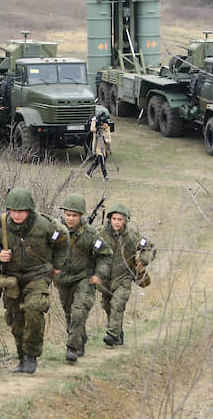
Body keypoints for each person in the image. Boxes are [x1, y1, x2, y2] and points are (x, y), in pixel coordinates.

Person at [0, 188, 69, 374]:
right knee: (15, 319)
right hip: (12, 278)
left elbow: (63, 239)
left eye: (21, 211)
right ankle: (22, 358)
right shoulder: (1, 224)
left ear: (29, 210)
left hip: (37, 275)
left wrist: (57, 266)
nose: (16, 214)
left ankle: (31, 355)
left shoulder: (45, 225)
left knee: (35, 308)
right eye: (13, 210)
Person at [55, 194, 112, 363]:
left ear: (81, 216)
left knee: (79, 312)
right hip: (63, 278)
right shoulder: (56, 231)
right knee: (69, 314)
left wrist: (99, 275)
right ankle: (80, 338)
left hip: (84, 278)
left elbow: (106, 255)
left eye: (74, 215)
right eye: (68, 214)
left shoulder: (90, 234)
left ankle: (72, 347)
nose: (70, 218)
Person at [99, 203, 154, 347]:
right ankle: (119, 332)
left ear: (125, 220)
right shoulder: (101, 233)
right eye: (114, 219)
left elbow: (149, 247)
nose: (116, 222)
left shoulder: (132, 234)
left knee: (118, 303)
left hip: (123, 275)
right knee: (107, 305)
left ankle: (111, 335)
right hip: (106, 277)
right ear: (110, 219)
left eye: (120, 219)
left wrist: (143, 261)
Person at [86, 115, 111, 181]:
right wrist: (94, 120)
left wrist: (106, 140)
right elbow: (92, 129)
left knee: (97, 162)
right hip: (98, 148)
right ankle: (105, 176)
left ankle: (89, 172)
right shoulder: (97, 130)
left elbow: (109, 139)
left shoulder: (107, 129)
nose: (105, 126)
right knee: (102, 162)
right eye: (104, 124)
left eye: (106, 124)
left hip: (105, 149)